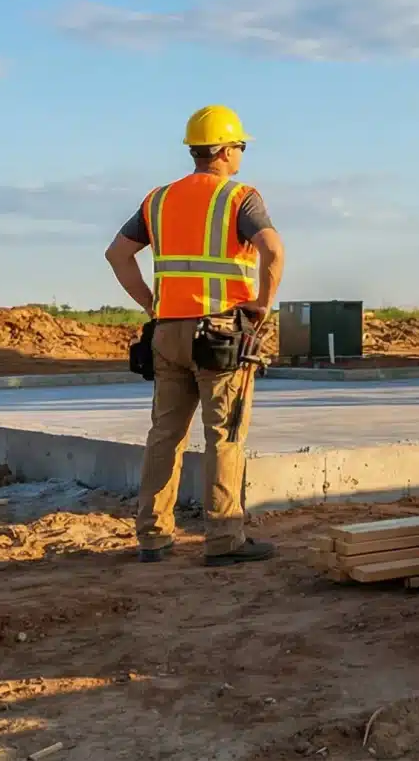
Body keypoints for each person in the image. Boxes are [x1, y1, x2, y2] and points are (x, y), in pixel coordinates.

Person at [104, 105, 285, 566]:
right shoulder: (239, 197)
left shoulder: (159, 200)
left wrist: (151, 304)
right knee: (224, 435)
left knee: (165, 433)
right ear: (225, 150)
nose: (241, 153)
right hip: (221, 335)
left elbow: (118, 255)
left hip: (167, 334)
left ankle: (152, 536)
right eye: (240, 145)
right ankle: (224, 540)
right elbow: (273, 250)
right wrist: (263, 303)